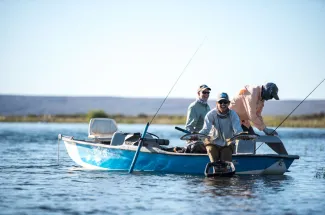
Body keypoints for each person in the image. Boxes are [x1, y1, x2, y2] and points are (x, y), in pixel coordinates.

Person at [199, 92, 243, 162]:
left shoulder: (233, 115)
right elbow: (205, 130)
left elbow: (238, 130)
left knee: (226, 159)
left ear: (228, 103)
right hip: (212, 143)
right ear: (217, 103)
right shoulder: (210, 114)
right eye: (220, 102)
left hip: (227, 144)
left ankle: (225, 169)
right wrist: (197, 135)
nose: (223, 104)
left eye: (225, 102)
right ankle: (215, 168)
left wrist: (242, 136)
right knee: (211, 151)